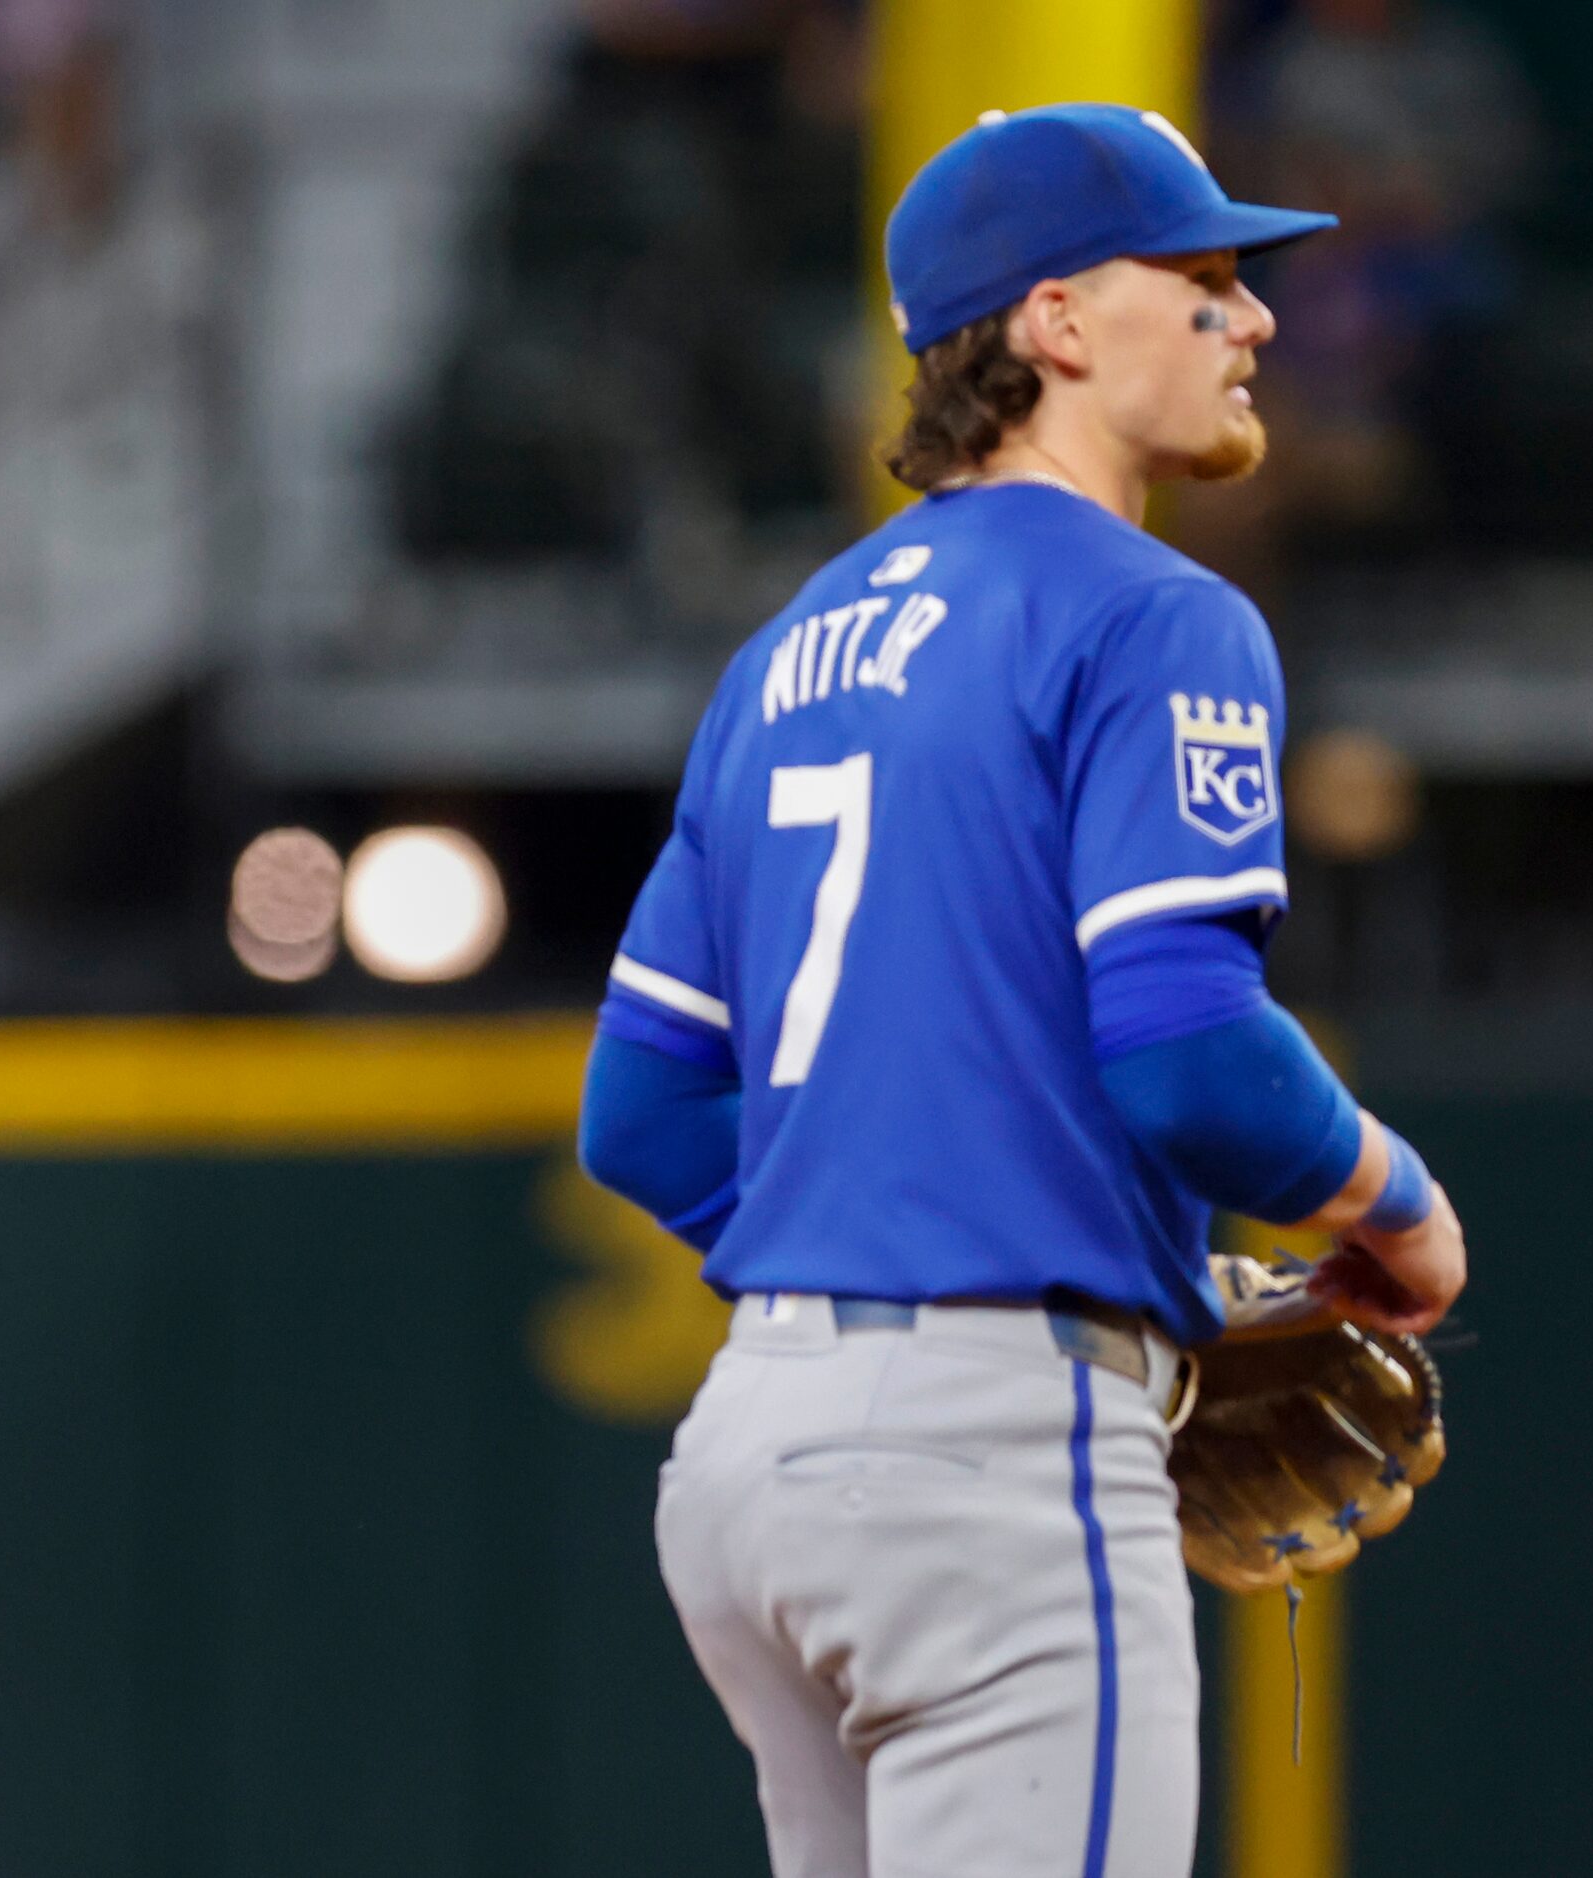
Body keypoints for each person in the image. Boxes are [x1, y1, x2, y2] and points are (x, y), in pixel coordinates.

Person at [578, 104, 1467, 1878]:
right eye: (1203, 277)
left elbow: (642, 1114)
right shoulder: (1155, 614)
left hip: (753, 1452)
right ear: (1054, 323)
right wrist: (1398, 1201)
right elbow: (1192, 1055)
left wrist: (928, 1218)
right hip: (986, 1469)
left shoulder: (778, 659)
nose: (1257, 318)